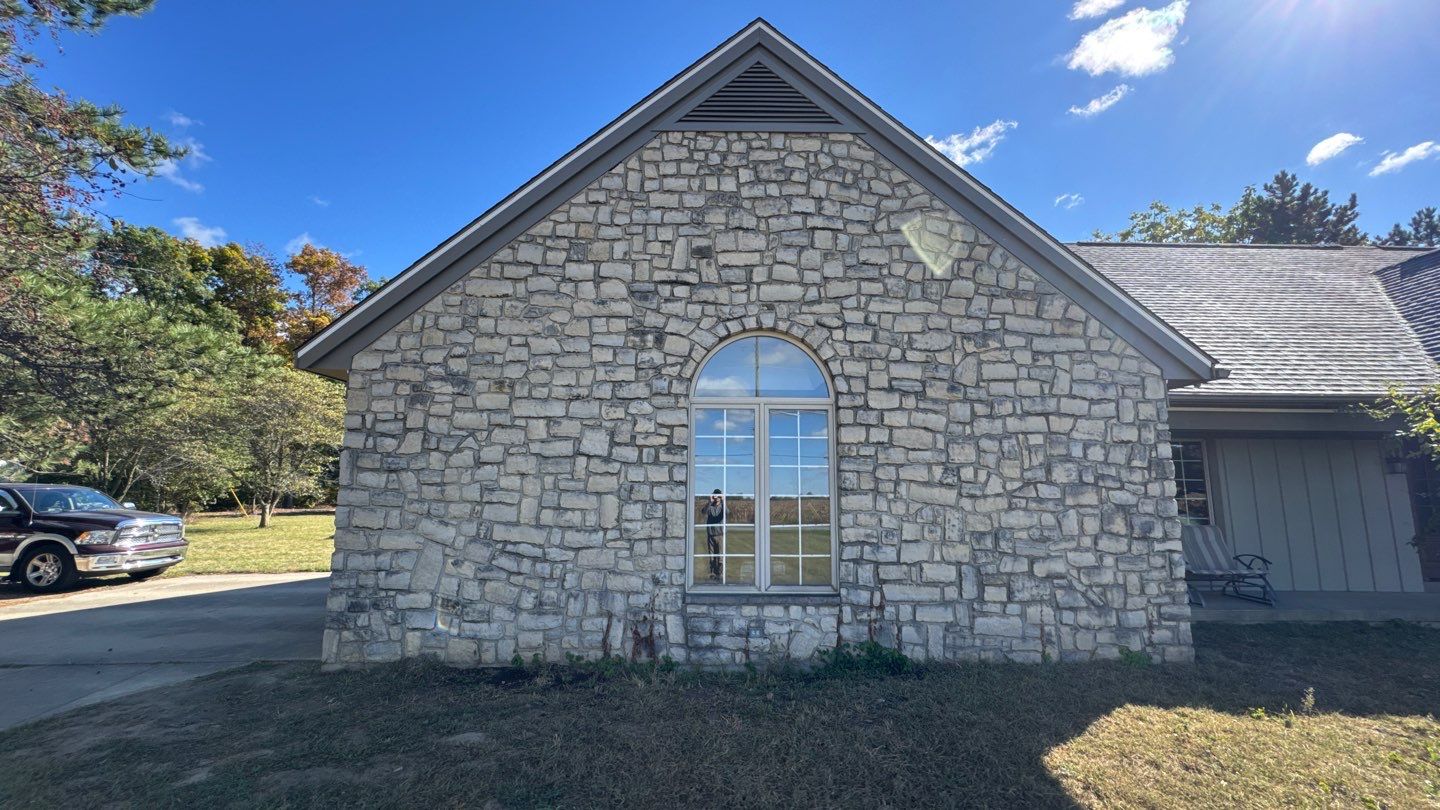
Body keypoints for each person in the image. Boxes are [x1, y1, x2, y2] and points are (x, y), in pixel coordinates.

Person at [701, 488, 724, 582]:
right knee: (711, 555)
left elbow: (727, 513)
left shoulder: (722, 506)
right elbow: (703, 512)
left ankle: (720, 574)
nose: (717, 497)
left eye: (719, 495)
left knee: (720, 556)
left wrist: (724, 501)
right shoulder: (710, 506)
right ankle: (712, 573)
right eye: (715, 495)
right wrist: (709, 502)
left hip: (720, 534)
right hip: (710, 534)